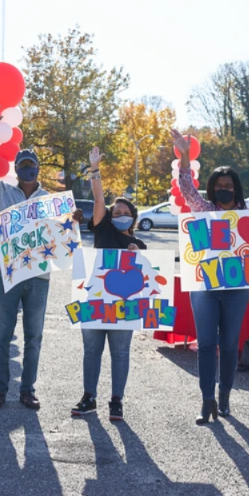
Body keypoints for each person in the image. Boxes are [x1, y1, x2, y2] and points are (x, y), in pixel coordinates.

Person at [0, 103, 83, 411]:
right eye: (22, 165)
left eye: (31, 165)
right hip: (8, 273)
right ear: (16, 168)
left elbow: (63, 237)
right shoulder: (2, 192)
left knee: (33, 336)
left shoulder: (51, 201)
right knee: (1, 336)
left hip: (38, 276)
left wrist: (73, 220)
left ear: (37, 169)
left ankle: (28, 389)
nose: (27, 169)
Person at [171, 129, 249, 425]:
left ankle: (224, 397)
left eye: (228, 186)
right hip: (204, 287)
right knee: (207, 344)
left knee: (230, 344)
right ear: (212, 189)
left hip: (236, 288)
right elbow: (186, 189)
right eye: (219, 186)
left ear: (236, 189)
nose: (224, 189)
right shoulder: (204, 210)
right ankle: (206, 400)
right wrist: (185, 155)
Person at [70, 147, 147, 422]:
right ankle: (88, 397)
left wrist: (137, 253)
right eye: (117, 212)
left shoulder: (139, 244)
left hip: (123, 307)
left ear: (133, 218)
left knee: (120, 353)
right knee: (91, 351)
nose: (120, 214)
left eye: (126, 212)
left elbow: (146, 278)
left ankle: (116, 400)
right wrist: (94, 168)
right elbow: (99, 198)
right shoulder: (102, 227)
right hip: (94, 299)